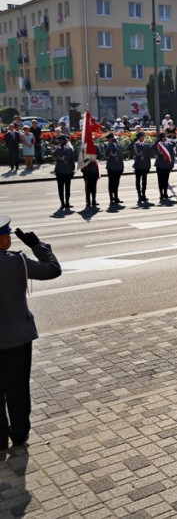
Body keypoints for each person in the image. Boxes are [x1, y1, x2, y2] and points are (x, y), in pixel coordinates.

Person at [0, 215, 62, 449]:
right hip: (17, 337)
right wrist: (38, 246)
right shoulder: (17, 262)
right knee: (17, 386)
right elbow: (52, 270)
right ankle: (19, 433)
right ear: (3, 241)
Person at [52, 135, 76, 211]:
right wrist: (72, 169)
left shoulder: (68, 149)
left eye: (62, 140)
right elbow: (54, 156)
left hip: (65, 171)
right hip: (62, 171)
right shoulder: (58, 149)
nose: (61, 142)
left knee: (66, 188)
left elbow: (72, 160)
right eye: (60, 141)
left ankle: (66, 203)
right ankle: (63, 203)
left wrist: (72, 170)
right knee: (62, 188)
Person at [103, 133, 125, 205]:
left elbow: (121, 156)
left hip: (118, 167)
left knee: (116, 183)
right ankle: (111, 198)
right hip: (112, 167)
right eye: (113, 138)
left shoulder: (117, 145)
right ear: (110, 139)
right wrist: (111, 144)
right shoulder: (107, 145)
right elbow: (106, 154)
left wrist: (122, 167)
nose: (115, 139)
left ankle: (116, 197)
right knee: (111, 183)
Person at [130, 132, 152, 204]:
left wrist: (149, 165)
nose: (143, 138)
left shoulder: (147, 145)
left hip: (145, 165)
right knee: (138, 181)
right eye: (142, 137)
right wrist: (133, 141)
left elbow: (149, 156)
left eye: (144, 137)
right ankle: (139, 195)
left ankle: (144, 194)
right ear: (139, 138)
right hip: (138, 166)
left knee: (144, 182)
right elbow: (128, 148)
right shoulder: (135, 145)